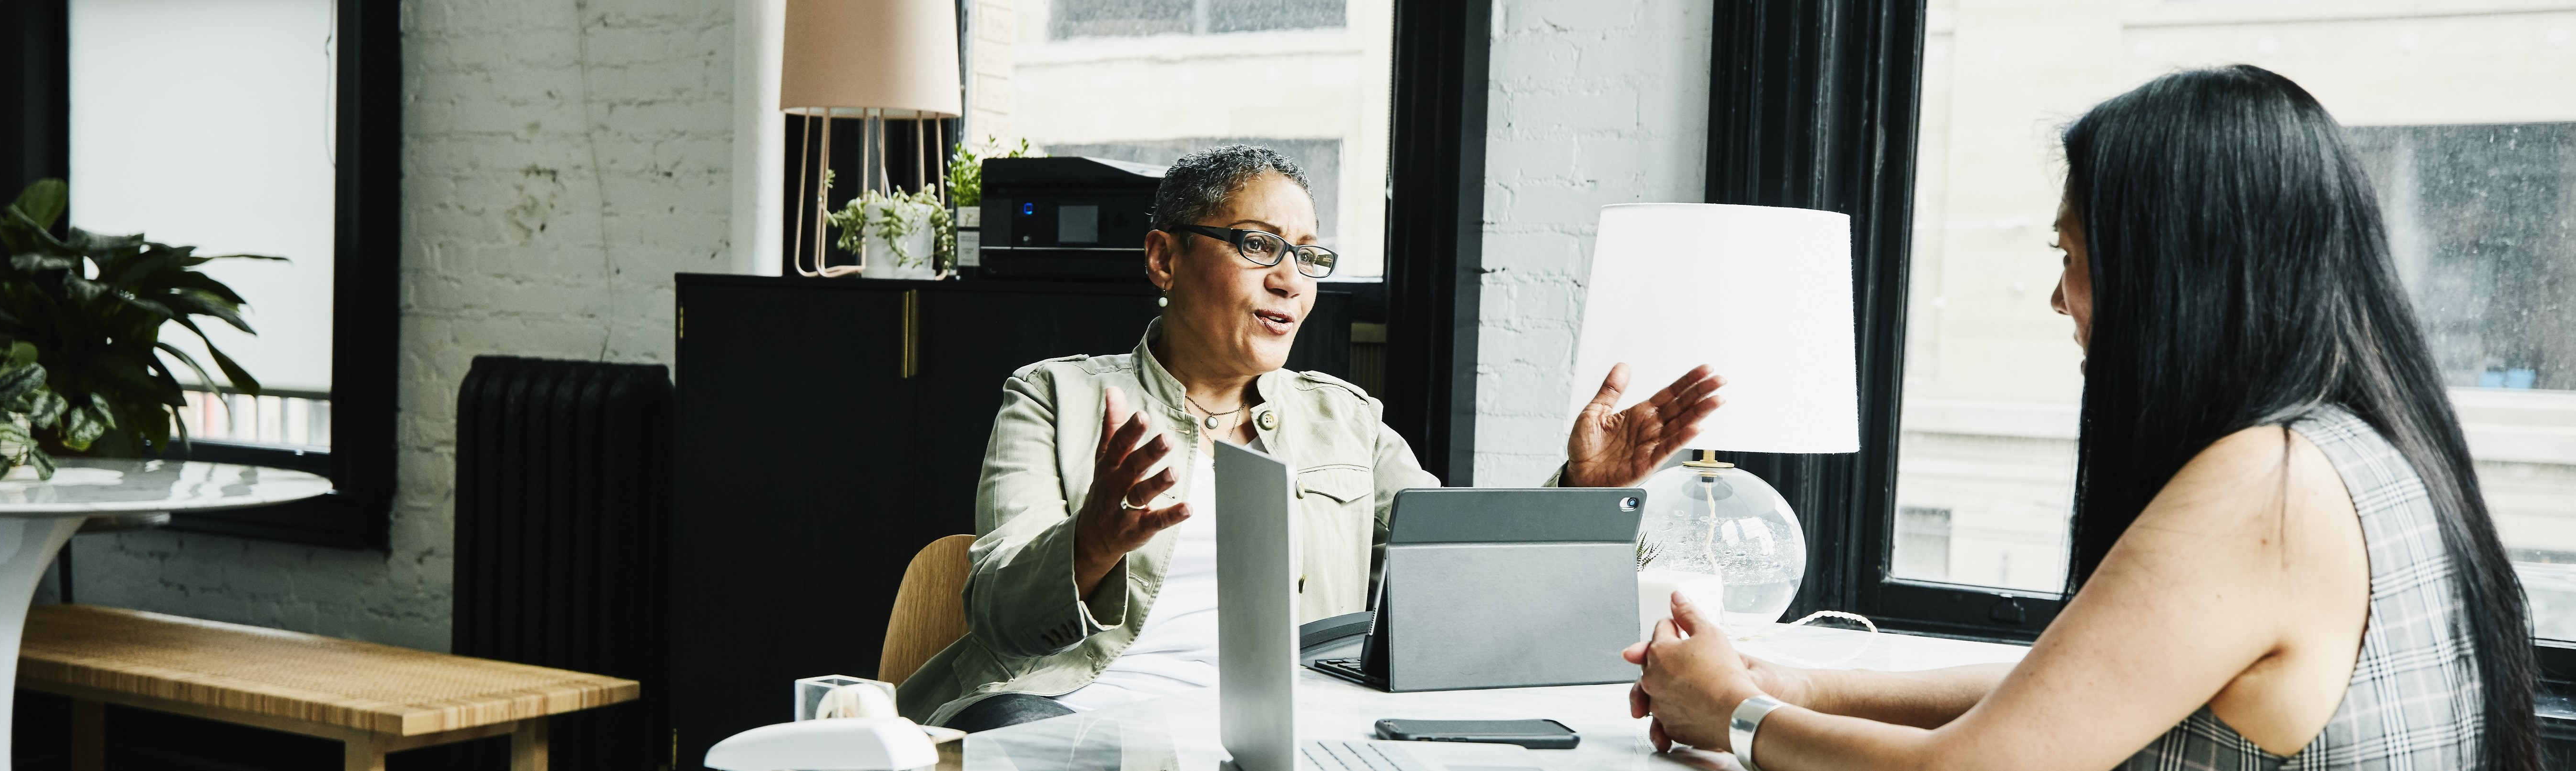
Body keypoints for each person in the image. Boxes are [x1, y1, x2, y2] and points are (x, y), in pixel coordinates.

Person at [1623, 65, 2538, 771]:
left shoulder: (2269, 489)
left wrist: (1735, 717)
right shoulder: (2367, 450)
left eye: (2071, 254)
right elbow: (2077, 692)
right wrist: (1798, 683)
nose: (2059, 301)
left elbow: (1979, 765)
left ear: (2172, 273)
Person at [895, 144, 1727, 731]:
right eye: (1258, 245)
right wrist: (1092, 542)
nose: (1291, 279)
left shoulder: (1346, 417)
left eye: (1308, 254)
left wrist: (1580, 493)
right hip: (1072, 713)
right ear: (1163, 259)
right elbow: (997, 610)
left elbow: (1454, 568)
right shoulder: (1055, 396)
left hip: (1292, 732)